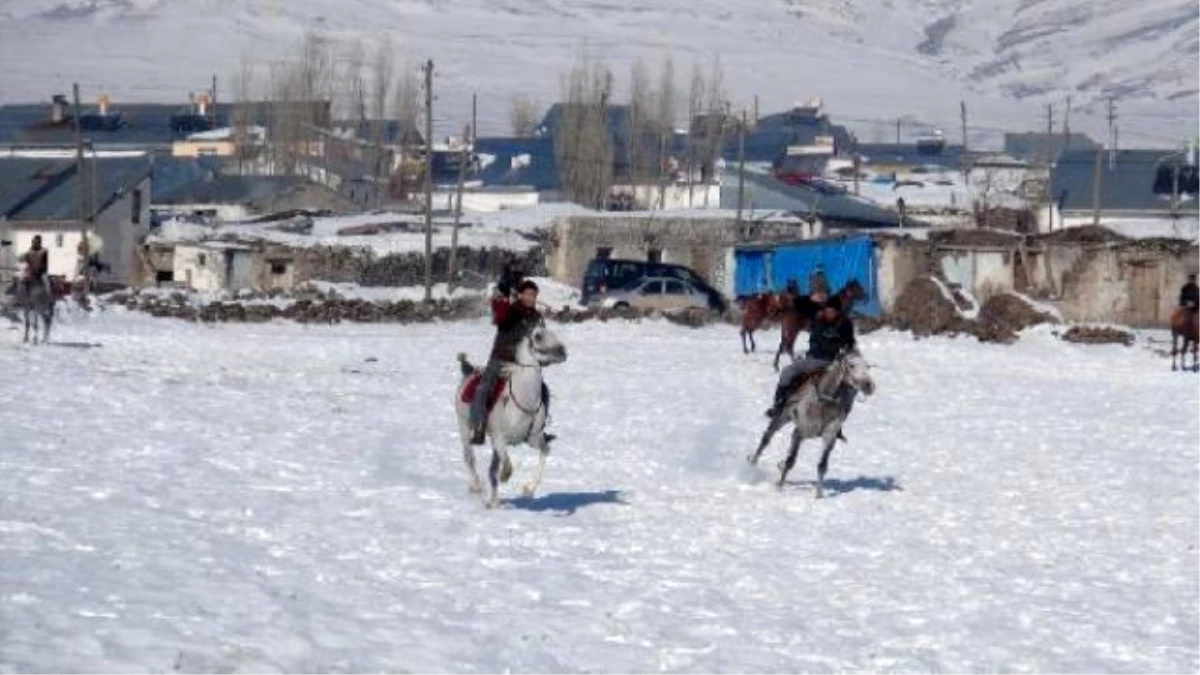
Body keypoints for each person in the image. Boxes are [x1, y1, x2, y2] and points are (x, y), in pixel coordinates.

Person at [469, 278, 550, 445]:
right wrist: (505, 298)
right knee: (483, 388)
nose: (531, 297)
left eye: (534, 295)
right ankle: (478, 426)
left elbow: (541, 341)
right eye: (528, 294)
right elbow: (500, 318)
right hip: (501, 358)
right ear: (520, 295)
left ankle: (537, 430)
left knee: (543, 391)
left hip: (524, 364)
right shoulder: (510, 311)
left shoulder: (536, 317)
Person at [764, 293, 857, 418]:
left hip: (833, 361)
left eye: (832, 311)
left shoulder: (845, 324)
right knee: (787, 372)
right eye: (827, 310)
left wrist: (840, 350)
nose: (829, 313)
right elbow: (800, 304)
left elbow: (849, 343)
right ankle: (779, 406)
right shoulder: (818, 321)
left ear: (838, 312)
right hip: (812, 359)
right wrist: (810, 298)